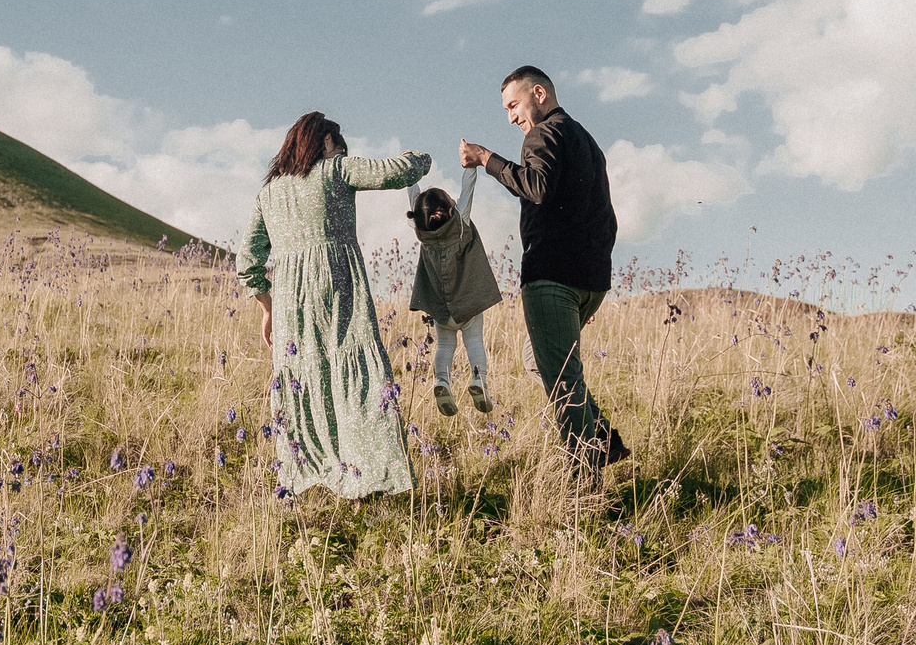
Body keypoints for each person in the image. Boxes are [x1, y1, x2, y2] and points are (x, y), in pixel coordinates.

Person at [239, 112, 431, 501]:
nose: (342, 152)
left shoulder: (269, 193)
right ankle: (368, 478)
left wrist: (268, 308)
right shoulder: (336, 171)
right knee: (356, 377)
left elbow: (247, 261)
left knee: (304, 381)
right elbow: (397, 171)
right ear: (327, 142)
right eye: (340, 146)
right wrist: (421, 158)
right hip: (339, 288)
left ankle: (307, 477)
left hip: (292, 303)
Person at [459, 67, 629, 475]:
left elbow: (536, 187)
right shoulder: (586, 140)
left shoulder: (543, 134)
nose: (511, 118)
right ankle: (604, 440)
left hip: (553, 278)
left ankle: (583, 486)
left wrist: (486, 159)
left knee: (563, 383)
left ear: (539, 93)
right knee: (537, 359)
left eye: (513, 105)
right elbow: (609, 219)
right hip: (591, 282)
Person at [405, 167, 500, 417]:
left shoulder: (421, 232)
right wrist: (469, 166)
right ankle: (479, 380)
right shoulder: (460, 224)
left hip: (441, 310)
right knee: (474, 342)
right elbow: (468, 190)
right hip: (467, 305)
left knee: (445, 345)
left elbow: (413, 197)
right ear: (450, 210)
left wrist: (409, 173)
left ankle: (442, 382)